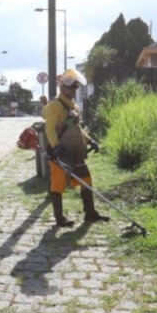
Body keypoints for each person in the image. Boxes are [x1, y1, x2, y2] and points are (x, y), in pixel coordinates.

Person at [42, 69, 108, 227]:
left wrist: (90, 140)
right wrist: (56, 146)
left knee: (86, 180)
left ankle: (90, 213)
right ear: (62, 87)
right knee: (58, 184)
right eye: (71, 87)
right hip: (61, 152)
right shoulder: (54, 105)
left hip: (76, 151)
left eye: (75, 87)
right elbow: (49, 129)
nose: (73, 90)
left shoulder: (74, 106)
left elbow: (76, 128)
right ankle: (59, 218)